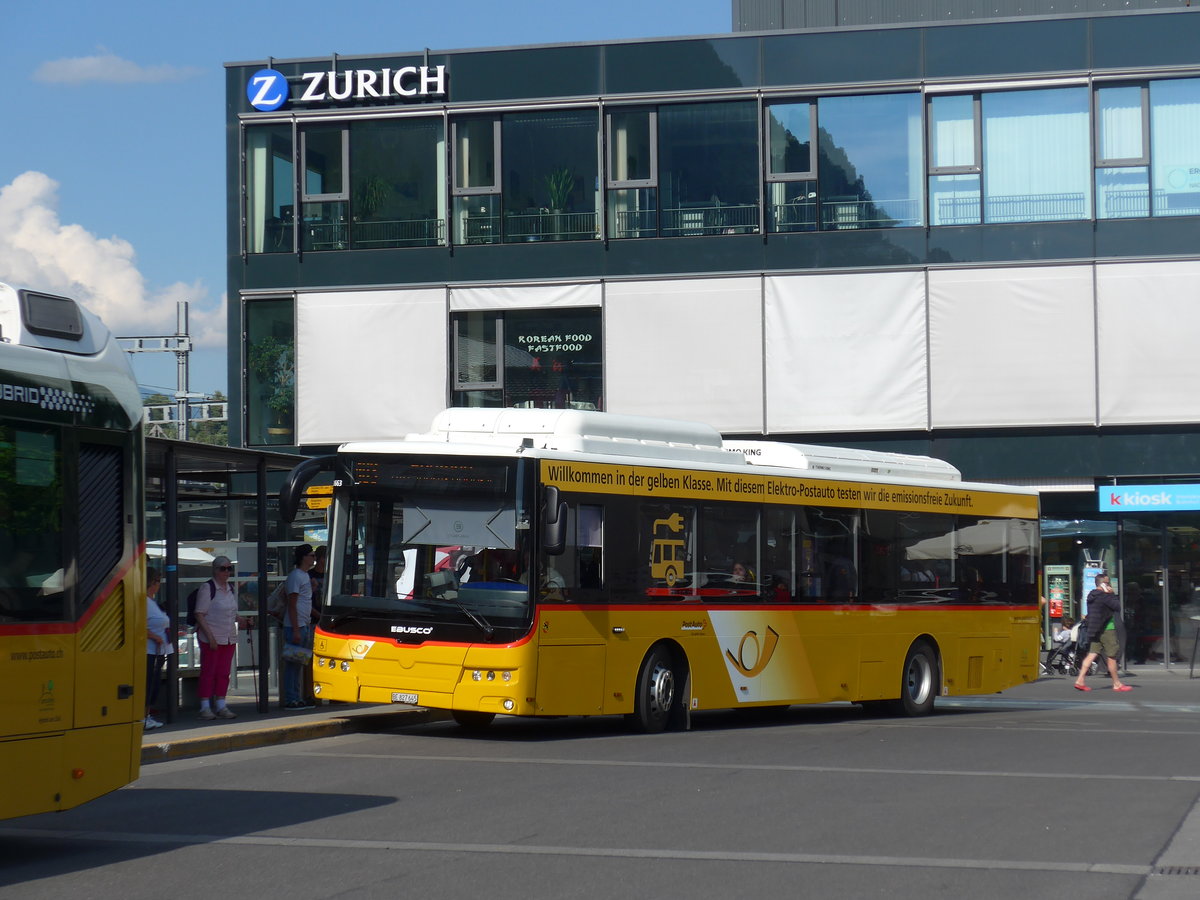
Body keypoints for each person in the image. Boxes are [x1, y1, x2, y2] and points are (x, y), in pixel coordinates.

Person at [194, 556, 240, 719]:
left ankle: (221, 704)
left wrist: (242, 620)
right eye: (223, 568)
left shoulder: (230, 589)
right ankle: (205, 706)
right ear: (214, 570)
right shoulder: (208, 588)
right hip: (211, 637)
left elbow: (231, 613)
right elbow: (199, 614)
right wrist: (211, 638)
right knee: (209, 671)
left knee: (223, 672)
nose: (226, 572)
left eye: (229, 568)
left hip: (228, 637)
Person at [1074, 574, 1131, 692]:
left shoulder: (1091, 595)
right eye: (1108, 582)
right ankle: (1117, 683)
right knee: (1112, 656)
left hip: (1095, 629)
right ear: (1103, 584)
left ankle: (1080, 680)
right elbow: (1117, 606)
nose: (1109, 584)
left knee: (1092, 653)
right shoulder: (1105, 596)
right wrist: (1111, 594)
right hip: (1107, 628)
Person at [283, 544, 317, 710]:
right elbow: (292, 603)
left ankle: (296, 696)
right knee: (293, 665)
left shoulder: (304, 576)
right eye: (311, 555)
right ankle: (291, 698)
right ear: (303, 557)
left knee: (298, 664)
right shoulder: (296, 576)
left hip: (303, 625)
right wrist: (296, 629)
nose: (314, 558)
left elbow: (303, 601)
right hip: (296, 627)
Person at [143, 568, 171, 730]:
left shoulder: (151, 601)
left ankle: (147, 715)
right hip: (149, 650)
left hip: (158, 651)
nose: (159, 585)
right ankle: (143, 716)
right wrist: (155, 637)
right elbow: (138, 625)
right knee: (148, 685)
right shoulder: (144, 602)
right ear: (151, 583)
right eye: (158, 581)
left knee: (153, 685)